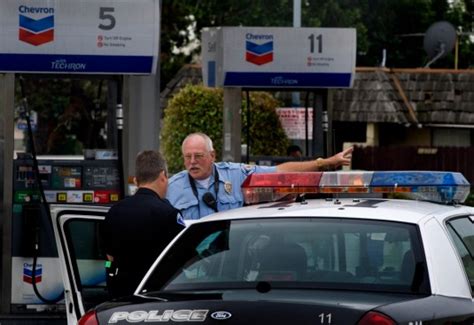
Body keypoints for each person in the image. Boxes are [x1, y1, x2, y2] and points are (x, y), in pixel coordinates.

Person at [167, 132, 353, 220]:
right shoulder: (172, 187)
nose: (192, 162)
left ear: (212, 156)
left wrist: (325, 163)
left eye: (198, 156)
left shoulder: (235, 174)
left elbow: (280, 172)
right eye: (187, 157)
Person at [102, 150, 185, 298]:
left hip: (120, 294)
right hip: (157, 293)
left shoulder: (114, 211)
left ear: (135, 181)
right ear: (163, 176)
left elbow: (110, 257)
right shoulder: (169, 213)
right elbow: (183, 255)